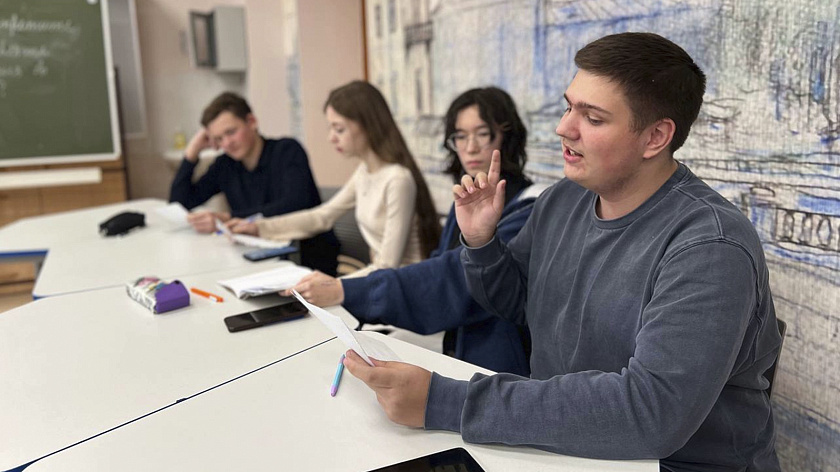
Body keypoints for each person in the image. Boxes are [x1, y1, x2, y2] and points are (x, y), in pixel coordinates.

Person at [344, 32, 782, 471]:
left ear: (655, 137)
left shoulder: (709, 245)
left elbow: (652, 415)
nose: (563, 128)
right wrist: (480, 243)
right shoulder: (561, 200)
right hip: (565, 449)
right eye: (569, 106)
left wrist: (446, 401)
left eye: (592, 118)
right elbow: (517, 303)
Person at [287, 87, 536, 375]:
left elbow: (452, 278)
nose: (470, 147)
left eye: (482, 134)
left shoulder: (528, 206)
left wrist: (344, 289)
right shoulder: (470, 198)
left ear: (507, 135)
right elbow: (439, 264)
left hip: (494, 366)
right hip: (450, 341)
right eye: (460, 136)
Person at [228, 81, 440, 278]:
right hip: (381, 283)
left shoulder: (397, 180)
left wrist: (335, 285)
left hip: (404, 290)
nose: (331, 137)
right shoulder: (365, 172)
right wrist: (259, 227)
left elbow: (387, 265)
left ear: (368, 126)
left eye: (339, 129)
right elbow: (322, 217)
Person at [169, 92, 339, 275]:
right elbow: (180, 203)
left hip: (306, 259)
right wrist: (192, 152)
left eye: (231, 132)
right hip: (255, 259)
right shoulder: (225, 164)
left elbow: (295, 205)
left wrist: (229, 218)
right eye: (218, 139)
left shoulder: (287, 150)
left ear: (251, 122)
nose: (227, 143)